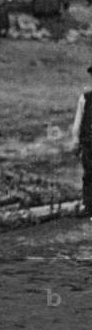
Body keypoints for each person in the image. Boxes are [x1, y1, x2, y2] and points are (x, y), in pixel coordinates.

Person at [71, 65, 92, 216]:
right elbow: (78, 122)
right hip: (89, 143)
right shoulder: (85, 98)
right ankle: (89, 205)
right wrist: (75, 141)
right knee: (89, 174)